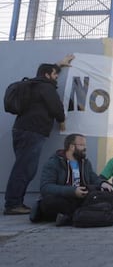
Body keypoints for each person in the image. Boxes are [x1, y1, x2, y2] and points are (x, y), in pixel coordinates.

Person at [4, 54, 75, 215]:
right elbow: (56, 106)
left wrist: (58, 65)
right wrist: (62, 120)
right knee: (25, 169)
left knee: (22, 167)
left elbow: (46, 72)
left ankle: (13, 202)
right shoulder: (46, 87)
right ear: (47, 75)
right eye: (55, 75)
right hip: (33, 131)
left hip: (22, 129)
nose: (57, 78)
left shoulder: (34, 84)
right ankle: (13, 204)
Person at [36, 133, 113, 226]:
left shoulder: (85, 162)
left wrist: (102, 183)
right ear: (71, 147)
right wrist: (72, 191)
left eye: (85, 145)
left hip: (82, 197)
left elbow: (93, 177)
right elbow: (46, 187)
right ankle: (84, 215)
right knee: (49, 202)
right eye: (82, 145)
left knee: (106, 194)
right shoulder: (54, 162)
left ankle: (72, 217)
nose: (85, 148)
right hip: (64, 198)